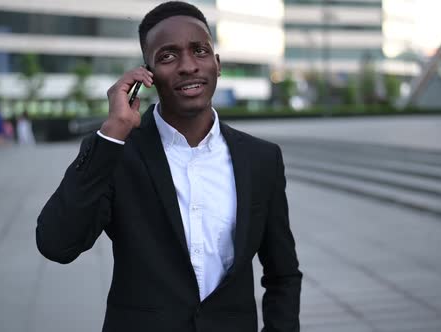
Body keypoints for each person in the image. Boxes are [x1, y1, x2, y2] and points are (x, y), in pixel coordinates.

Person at [36, 2, 302, 332]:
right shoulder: (117, 154)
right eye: (168, 56)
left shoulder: (262, 159)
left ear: (216, 64)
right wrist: (111, 134)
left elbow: (283, 273)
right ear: (146, 75)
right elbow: (56, 244)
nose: (188, 65)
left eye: (199, 50)